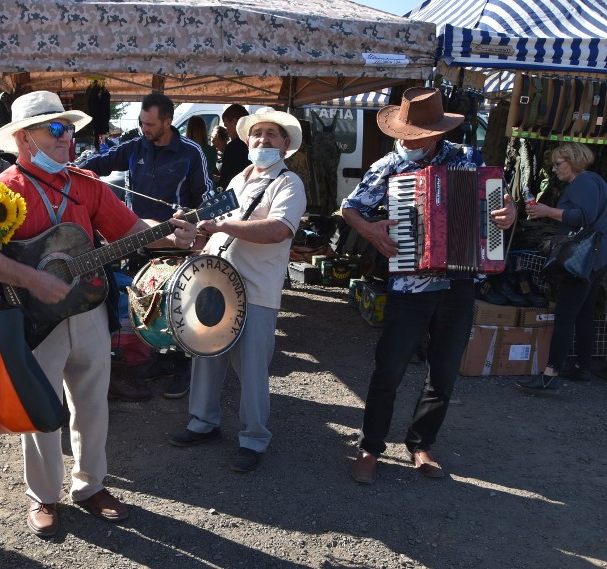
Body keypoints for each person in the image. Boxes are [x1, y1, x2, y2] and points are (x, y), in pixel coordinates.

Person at [0, 90, 198, 538]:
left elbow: (132, 231)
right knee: (43, 410)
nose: (69, 139)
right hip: (34, 321)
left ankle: (91, 485)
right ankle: (43, 495)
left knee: (93, 404)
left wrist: (172, 236)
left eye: (71, 129)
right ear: (25, 139)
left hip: (87, 310)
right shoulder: (1, 191)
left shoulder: (87, 185)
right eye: (57, 129)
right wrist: (31, 280)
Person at [341, 87, 516, 485]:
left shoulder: (469, 158)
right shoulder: (388, 165)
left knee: (444, 372)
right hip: (409, 284)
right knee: (389, 368)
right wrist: (371, 231)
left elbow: (499, 201)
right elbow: (350, 208)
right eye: (403, 131)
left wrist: (508, 212)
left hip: (459, 282)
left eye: (416, 133)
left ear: (437, 133)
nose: (406, 140)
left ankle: (421, 443)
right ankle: (370, 446)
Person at [168, 107, 307, 473]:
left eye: (271, 135)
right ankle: (203, 423)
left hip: (256, 290)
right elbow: (208, 232)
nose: (262, 140)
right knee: (206, 356)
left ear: (285, 144)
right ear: (246, 141)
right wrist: (192, 233)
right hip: (216, 283)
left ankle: (254, 438)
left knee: (253, 370)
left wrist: (221, 227)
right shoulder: (236, 182)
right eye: (257, 134)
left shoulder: (288, 183)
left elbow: (279, 229)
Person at [77, 93, 213, 399]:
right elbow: (98, 163)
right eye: (141, 122)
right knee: (145, 304)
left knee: (177, 307)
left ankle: (181, 367)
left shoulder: (191, 153)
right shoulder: (136, 146)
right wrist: (72, 168)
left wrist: (197, 226)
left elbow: (206, 198)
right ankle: (159, 359)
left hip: (175, 243)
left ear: (168, 121)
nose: (144, 128)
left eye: (150, 124)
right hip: (136, 240)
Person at [519, 142, 607, 391]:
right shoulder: (593, 181)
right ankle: (582, 368)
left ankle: (550, 375)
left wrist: (547, 211)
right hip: (596, 258)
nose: (554, 169)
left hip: (583, 258)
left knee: (566, 314)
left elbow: (583, 217)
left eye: (558, 164)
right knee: (584, 313)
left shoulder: (584, 182)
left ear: (573, 160)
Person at [219, 104, 251, 189]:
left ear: (235, 122)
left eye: (226, 126)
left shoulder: (232, 148)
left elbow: (226, 180)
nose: (226, 131)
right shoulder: (253, 144)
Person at [185, 115, 218, 184]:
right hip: (209, 189)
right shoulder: (211, 150)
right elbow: (211, 170)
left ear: (189, 130)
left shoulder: (183, 150)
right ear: (204, 129)